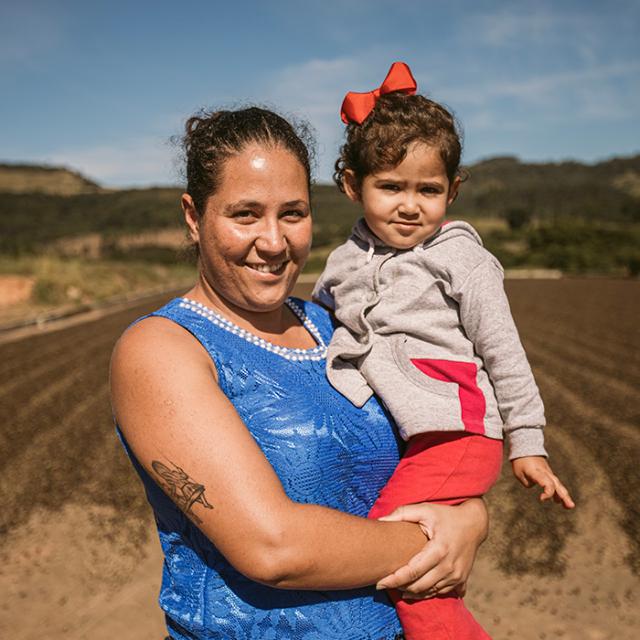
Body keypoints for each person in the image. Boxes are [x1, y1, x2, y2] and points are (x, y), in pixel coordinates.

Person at [110, 106, 490, 640]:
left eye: (293, 213)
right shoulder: (162, 350)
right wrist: (443, 538)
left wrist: (472, 513)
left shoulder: (337, 323)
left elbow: (428, 446)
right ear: (194, 216)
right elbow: (273, 547)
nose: (273, 241)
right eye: (245, 214)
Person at [312, 62, 575, 639]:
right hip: (416, 438)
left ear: (452, 192)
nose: (410, 205)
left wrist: (527, 444)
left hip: (457, 433)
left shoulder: (462, 260)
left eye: (428, 190)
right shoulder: (341, 262)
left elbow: (503, 352)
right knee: (407, 558)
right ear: (354, 185)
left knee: (396, 554)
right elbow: (316, 324)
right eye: (390, 187)